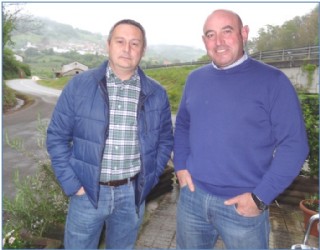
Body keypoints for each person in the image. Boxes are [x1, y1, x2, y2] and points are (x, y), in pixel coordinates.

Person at [173, 9, 309, 249]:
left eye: (227, 31)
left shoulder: (273, 81)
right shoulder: (195, 79)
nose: (219, 41)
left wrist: (260, 197)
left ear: (244, 33)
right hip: (192, 201)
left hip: (243, 207)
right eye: (211, 35)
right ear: (204, 41)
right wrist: (181, 165)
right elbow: (183, 124)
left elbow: (294, 146)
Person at [46, 19, 173, 249]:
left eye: (135, 43)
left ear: (143, 49)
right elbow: (56, 137)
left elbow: (165, 140)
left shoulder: (156, 93)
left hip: (131, 196)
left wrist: (150, 178)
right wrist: (74, 185)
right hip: (87, 194)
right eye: (120, 41)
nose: (127, 49)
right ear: (108, 45)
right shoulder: (79, 86)